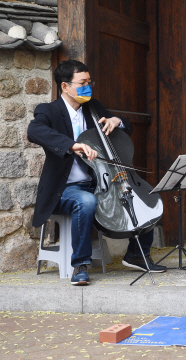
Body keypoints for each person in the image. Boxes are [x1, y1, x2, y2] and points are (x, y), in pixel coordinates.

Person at [27, 60, 166, 286]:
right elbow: (34, 130)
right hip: (64, 189)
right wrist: (72, 145)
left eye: (90, 82)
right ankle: (80, 265)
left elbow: (126, 127)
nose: (88, 87)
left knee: (142, 195)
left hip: (101, 183)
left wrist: (116, 120)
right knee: (86, 200)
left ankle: (137, 255)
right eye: (82, 83)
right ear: (65, 86)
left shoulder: (93, 107)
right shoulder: (49, 111)